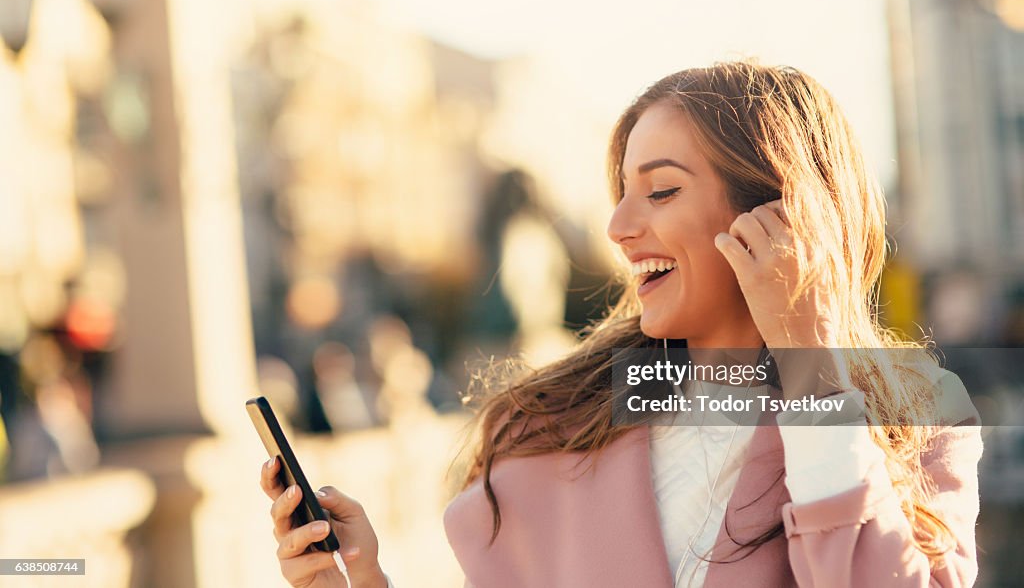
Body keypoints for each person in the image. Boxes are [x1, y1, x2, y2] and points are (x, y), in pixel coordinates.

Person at [258, 61, 982, 587]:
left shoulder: (919, 415)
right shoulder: (549, 430)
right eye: (620, 193)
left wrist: (809, 356)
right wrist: (355, 582)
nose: (617, 227)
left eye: (661, 190)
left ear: (784, 214)